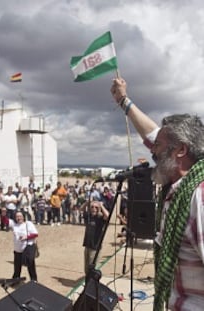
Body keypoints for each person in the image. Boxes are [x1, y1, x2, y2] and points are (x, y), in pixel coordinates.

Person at [111, 77, 204, 310]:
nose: (152, 150)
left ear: (181, 150)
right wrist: (123, 101)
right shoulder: (180, 187)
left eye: (158, 146)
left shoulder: (199, 197)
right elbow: (152, 134)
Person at [8, 211, 38, 282]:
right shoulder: (14, 225)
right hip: (18, 249)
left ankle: (33, 280)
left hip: (27, 247)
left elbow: (35, 234)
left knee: (30, 264)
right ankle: (15, 280)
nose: (19, 218)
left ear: (23, 217)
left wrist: (26, 237)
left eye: (20, 216)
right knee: (17, 266)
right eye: (17, 216)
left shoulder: (28, 224)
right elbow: (5, 220)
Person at [81, 200, 109, 275]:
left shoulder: (100, 218)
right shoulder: (88, 217)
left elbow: (107, 215)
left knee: (91, 268)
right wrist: (87, 203)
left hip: (95, 247)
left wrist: (101, 206)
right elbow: (81, 209)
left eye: (96, 207)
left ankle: (91, 283)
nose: (94, 209)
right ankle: (87, 282)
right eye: (92, 207)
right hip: (87, 245)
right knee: (86, 268)